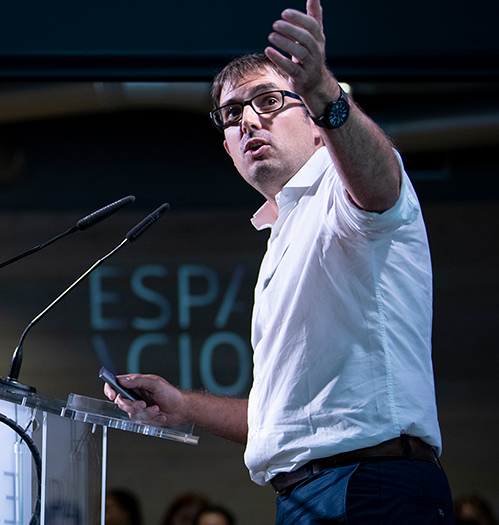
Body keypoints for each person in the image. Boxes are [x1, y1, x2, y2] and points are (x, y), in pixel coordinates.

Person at [105, 0, 452, 523]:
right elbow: (284, 421)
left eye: (268, 101)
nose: (248, 121)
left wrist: (323, 91)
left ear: (315, 124)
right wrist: (183, 404)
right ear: (228, 149)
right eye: (232, 114)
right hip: (302, 494)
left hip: (370, 485)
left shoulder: (343, 188)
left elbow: (381, 184)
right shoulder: (282, 231)